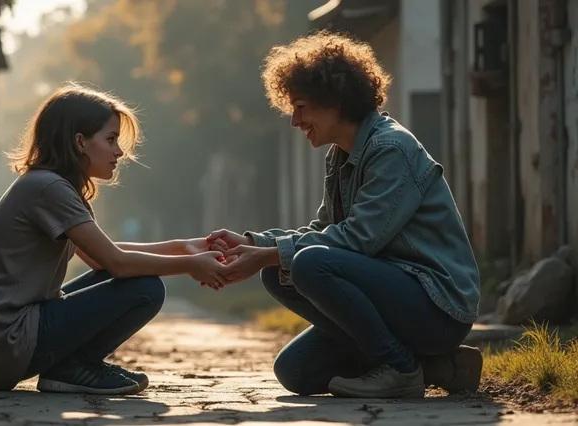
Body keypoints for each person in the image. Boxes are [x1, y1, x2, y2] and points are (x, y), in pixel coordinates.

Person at [206, 31, 482, 399]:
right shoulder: (341, 153)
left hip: (436, 306)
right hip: (392, 295)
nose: (294, 121)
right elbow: (324, 229)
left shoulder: (390, 148)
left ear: (334, 101)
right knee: (295, 369)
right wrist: (255, 244)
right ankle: (436, 367)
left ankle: (399, 370)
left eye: (301, 107)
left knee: (302, 264)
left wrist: (271, 254)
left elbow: (359, 239)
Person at [0, 83, 230, 395]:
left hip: (6, 344)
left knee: (127, 277)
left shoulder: (51, 186)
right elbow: (117, 263)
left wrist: (184, 248)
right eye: (110, 139)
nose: (119, 151)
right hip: (11, 339)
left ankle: (69, 368)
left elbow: (103, 257)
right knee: (145, 287)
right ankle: (73, 367)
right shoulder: (50, 188)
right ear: (80, 142)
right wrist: (189, 265)